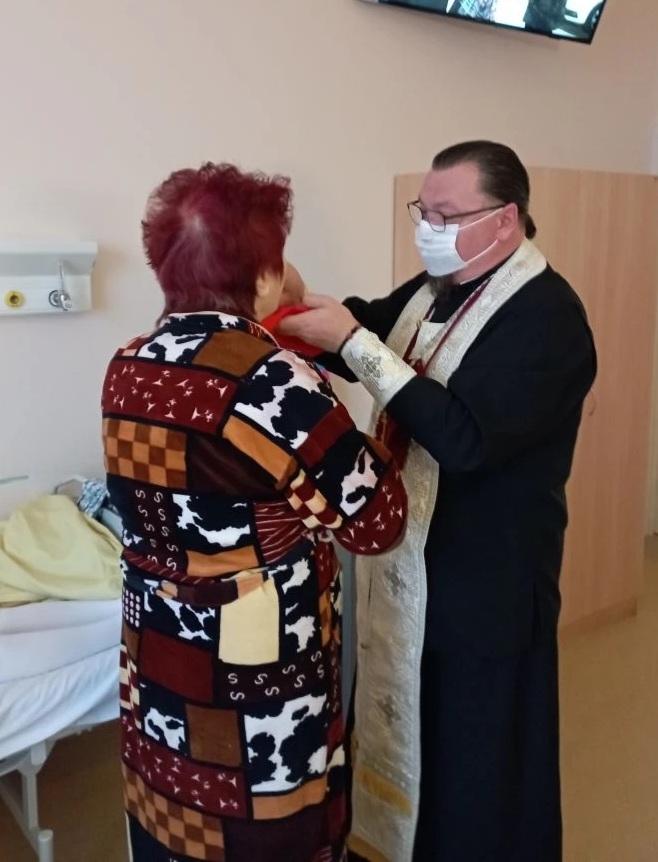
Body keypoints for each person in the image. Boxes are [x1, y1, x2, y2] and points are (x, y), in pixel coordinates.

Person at [279, 140, 597, 862]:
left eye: (446, 215)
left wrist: (354, 343)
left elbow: (465, 439)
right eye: (422, 210)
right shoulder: (437, 288)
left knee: (475, 761)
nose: (429, 227)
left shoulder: (547, 316)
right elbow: (367, 327)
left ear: (505, 218)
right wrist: (293, 307)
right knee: (409, 728)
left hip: (487, 578)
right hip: (411, 558)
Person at [100, 162, 407, 862]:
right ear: (265, 273)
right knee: (263, 825)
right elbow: (376, 522)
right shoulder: (273, 381)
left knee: (176, 811)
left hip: (159, 646)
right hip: (254, 672)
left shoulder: (130, 363)